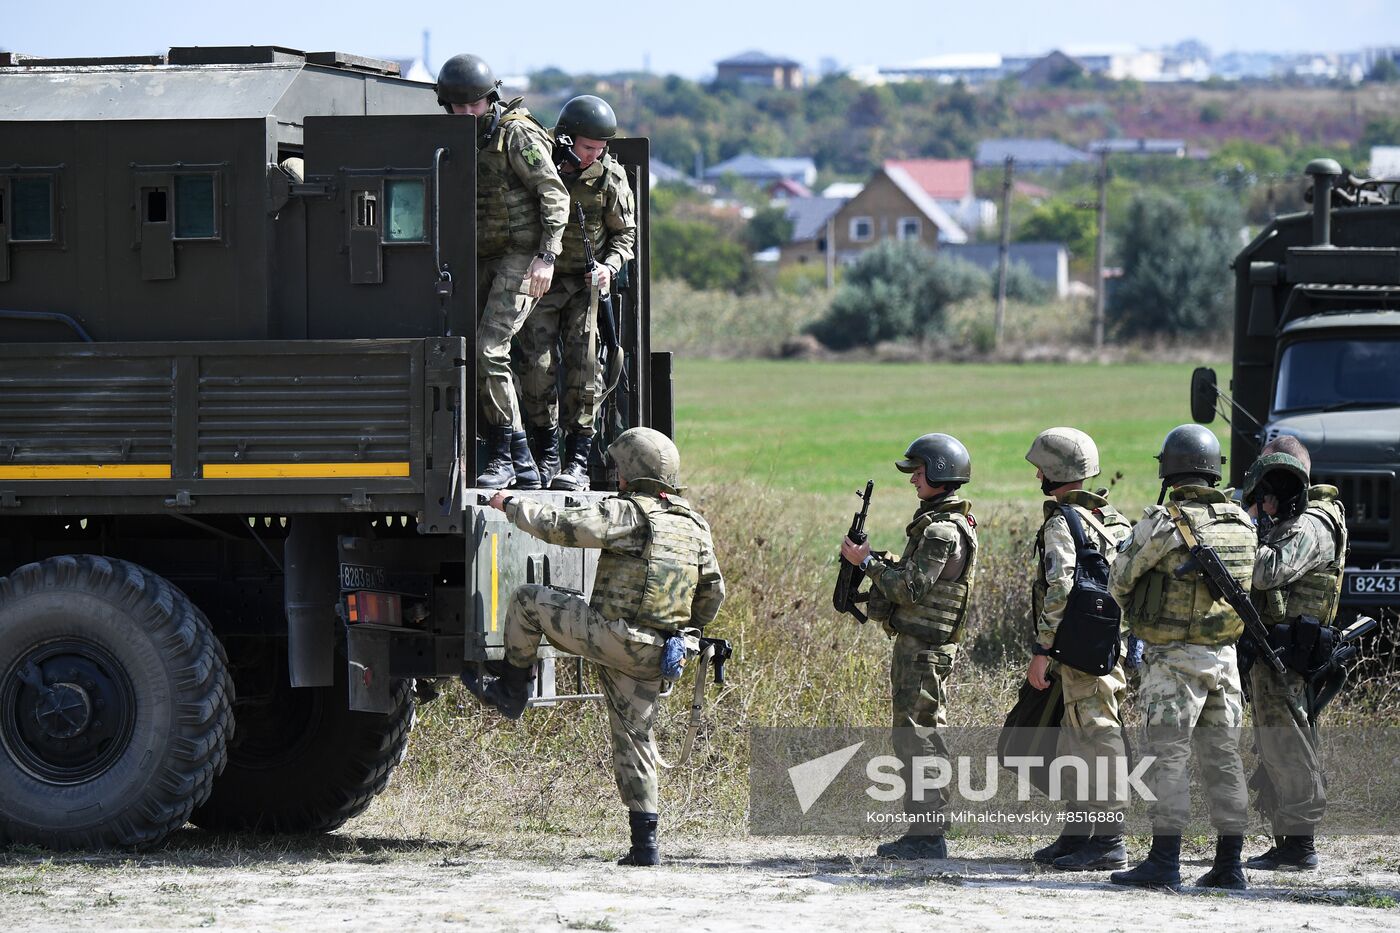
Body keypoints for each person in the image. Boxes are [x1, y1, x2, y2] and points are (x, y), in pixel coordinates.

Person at [469, 427, 725, 866]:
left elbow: (559, 527)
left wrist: (508, 503)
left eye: (620, 469)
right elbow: (712, 596)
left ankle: (512, 690)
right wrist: (684, 634)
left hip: (614, 637)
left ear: (629, 473)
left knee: (528, 601)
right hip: (659, 653)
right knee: (636, 739)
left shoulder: (630, 514)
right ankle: (645, 848)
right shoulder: (694, 526)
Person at [1107, 424, 1256, 891]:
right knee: (1224, 758)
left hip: (1173, 661)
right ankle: (1230, 865)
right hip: (1225, 659)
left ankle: (1164, 861)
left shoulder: (1166, 522)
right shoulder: (1242, 522)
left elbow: (1120, 577)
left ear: (1169, 469)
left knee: (1166, 757)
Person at [840, 433, 977, 860]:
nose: (912, 480)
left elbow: (911, 587)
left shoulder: (940, 529)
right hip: (924, 646)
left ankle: (926, 835)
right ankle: (928, 827)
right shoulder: (948, 523)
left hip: (923, 649)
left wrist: (867, 563)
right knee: (921, 734)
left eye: (918, 472)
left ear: (939, 473)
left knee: (916, 737)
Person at [437, 53, 570, 489]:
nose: (466, 113)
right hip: (478, 256)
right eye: (457, 106)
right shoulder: (456, 138)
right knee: (472, 353)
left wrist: (547, 257)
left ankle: (507, 455)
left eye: (473, 105)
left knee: (489, 351)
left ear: (489, 99)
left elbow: (554, 194)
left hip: (522, 255)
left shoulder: (516, 134)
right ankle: (519, 458)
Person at [1023, 428, 1133, 870]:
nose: (1036, 477)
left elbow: (1060, 589)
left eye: (1040, 469)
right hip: (1106, 644)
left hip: (1076, 648)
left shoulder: (1061, 522)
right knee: (1075, 738)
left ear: (1055, 472)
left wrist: (1042, 649)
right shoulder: (1116, 521)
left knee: (1097, 736)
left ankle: (1108, 841)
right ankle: (1076, 834)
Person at [516, 95, 637, 490]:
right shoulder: (539, 164)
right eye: (588, 147)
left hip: (587, 286)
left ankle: (578, 460)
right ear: (567, 139)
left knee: (587, 369)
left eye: (601, 148)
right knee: (537, 367)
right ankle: (546, 452)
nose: (595, 155)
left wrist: (608, 269)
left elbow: (625, 235)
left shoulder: (609, 178)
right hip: (542, 281)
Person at [1242, 435, 1347, 871]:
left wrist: (1242, 526)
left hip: (1289, 655)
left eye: (1272, 483)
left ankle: (1299, 846)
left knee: (1289, 744)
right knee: (1277, 743)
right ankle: (1288, 840)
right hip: (1276, 652)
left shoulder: (1313, 523)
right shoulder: (1294, 517)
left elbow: (1267, 571)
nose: (1266, 497)